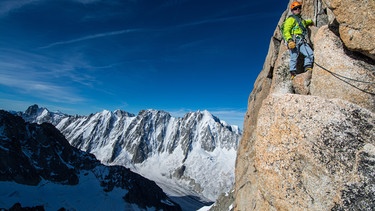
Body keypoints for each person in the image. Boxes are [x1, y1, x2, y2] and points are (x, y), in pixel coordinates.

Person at [283, 1, 314, 80]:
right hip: (294, 40)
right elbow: (286, 30)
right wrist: (289, 40)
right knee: (294, 56)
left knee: (309, 53)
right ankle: (293, 72)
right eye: (295, 8)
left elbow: (306, 22)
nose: (297, 9)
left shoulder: (302, 20)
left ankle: (307, 67)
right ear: (292, 10)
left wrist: (311, 21)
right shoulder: (290, 19)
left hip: (302, 40)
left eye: (299, 8)